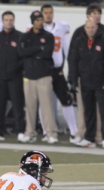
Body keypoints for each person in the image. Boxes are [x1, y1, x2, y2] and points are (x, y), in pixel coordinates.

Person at [35, 4, 79, 145]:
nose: (48, 15)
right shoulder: (38, 30)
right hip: (43, 70)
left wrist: (66, 67)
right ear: (41, 14)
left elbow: (67, 49)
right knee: (44, 102)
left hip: (57, 70)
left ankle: (74, 131)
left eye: (50, 12)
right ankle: (46, 131)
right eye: (45, 13)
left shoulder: (61, 27)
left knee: (66, 100)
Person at [18, 11, 57, 144]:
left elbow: (47, 53)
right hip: (28, 77)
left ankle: (51, 133)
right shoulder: (25, 36)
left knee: (47, 107)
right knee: (29, 107)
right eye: (37, 20)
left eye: (41, 19)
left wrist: (32, 51)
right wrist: (38, 48)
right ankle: (30, 133)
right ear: (33, 21)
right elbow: (21, 52)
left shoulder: (48, 36)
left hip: (44, 76)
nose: (40, 22)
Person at [0, 11, 25, 142]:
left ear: (14, 21)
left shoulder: (20, 36)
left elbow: (23, 57)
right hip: (0, 76)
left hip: (15, 76)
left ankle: (20, 131)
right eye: (7, 20)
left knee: (17, 105)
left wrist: (15, 69)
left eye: (11, 20)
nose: (9, 22)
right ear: (3, 21)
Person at [69, 3, 103, 145]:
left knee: (102, 111)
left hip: (101, 82)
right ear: (85, 27)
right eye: (88, 27)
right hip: (85, 81)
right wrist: (73, 79)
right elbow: (73, 60)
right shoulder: (79, 41)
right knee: (88, 112)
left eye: (92, 27)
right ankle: (89, 138)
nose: (90, 30)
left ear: (97, 27)